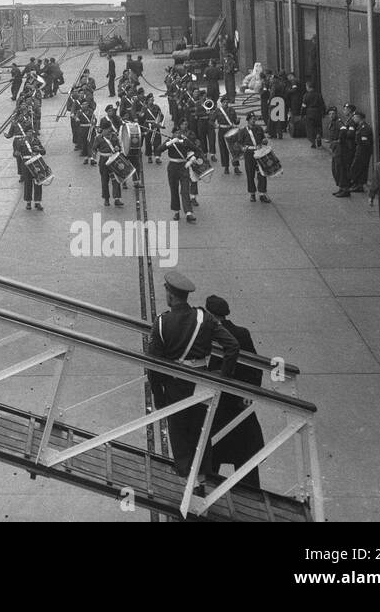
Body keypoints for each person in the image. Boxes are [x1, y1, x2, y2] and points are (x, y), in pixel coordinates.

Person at [146, 270, 240, 486]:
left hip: (174, 388)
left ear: (170, 295)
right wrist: (222, 378)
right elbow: (232, 346)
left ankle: (189, 485)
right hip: (201, 385)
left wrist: (158, 396)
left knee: (179, 436)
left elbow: (154, 365)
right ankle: (200, 482)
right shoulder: (204, 318)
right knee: (201, 434)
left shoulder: (162, 323)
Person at [203, 295, 266, 489]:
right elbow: (256, 368)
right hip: (240, 409)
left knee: (210, 463)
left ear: (209, 313)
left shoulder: (209, 334)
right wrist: (249, 394)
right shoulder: (242, 333)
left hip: (217, 408)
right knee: (246, 464)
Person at [164, 125, 197, 222]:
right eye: (176, 133)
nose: (178, 134)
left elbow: (196, 149)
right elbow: (159, 149)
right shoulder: (169, 141)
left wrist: (192, 159)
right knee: (174, 190)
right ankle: (176, 212)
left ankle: (188, 213)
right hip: (172, 167)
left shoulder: (185, 141)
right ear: (173, 134)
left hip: (183, 166)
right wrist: (168, 143)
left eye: (179, 133)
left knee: (185, 190)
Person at [239, 111, 271, 204]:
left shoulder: (259, 128)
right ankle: (252, 193)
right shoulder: (243, 131)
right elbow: (239, 143)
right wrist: (242, 149)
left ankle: (262, 194)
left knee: (262, 173)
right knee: (250, 174)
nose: (254, 121)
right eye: (252, 119)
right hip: (249, 154)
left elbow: (263, 139)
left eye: (255, 119)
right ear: (248, 120)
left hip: (260, 152)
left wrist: (265, 141)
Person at [301, 81, 325, 148]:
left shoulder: (306, 95)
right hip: (317, 113)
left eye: (306, 86)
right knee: (318, 127)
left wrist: (302, 114)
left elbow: (303, 106)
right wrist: (323, 113)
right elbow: (322, 105)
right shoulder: (318, 95)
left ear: (308, 87)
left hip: (309, 113)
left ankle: (313, 142)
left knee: (310, 129)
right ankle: (318, 136)